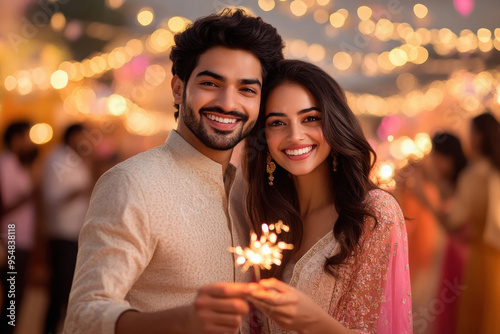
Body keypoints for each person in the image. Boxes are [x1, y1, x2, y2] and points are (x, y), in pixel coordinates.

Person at [64, 8, 284, 334]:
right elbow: (83, 317)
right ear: (179, 89)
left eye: (247, 89)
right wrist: (181, 321)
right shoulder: (133, 184)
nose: (227, 102)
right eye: (211, 83)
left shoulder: (250, 193)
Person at [243, 60, 412, 333]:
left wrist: (315, 321)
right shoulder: (266, 216)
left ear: (334, 123)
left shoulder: (374, 214)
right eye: (277, 123)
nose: (295, 136)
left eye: (310, 118)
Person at [450, 112, 500, 334]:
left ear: (478, 137)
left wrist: (424, 196)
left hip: (483, 259)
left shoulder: (473, 176)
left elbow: (454, 222)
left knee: (479, 320)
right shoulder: (495, 172)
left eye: (469, 133)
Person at [42, 123, 94, 333]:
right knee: (60, 290)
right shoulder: (58, 160)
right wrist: (81, 190)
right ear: (73, 136)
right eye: (83, 136)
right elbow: (52, 197)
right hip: (61, 232)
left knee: (69, 291)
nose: (87, 141)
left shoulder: (76, 159)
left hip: (75, 232)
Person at [0, 121, 39, 334]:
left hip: (19, 237)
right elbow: (5, 204)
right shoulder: (6, 164)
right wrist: (29, 196)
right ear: (15, 139)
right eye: (26, 137)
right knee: (13, 296)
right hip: (11, 237)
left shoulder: (18, 164)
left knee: (14, 296)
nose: (30, 143)